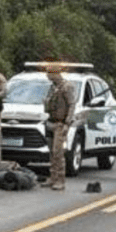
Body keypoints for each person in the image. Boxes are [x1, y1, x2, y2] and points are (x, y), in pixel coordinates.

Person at [41, 63, 76, 191]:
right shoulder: (52, 87)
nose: (47, 76)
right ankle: (53, 177)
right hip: (50, 121)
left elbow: (72, 105)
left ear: (56, 73)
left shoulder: (67, 87)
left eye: (49, 73)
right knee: (51, 152)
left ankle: (60, 180)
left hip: (60, 124)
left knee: (58, 153)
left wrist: (67, 123)